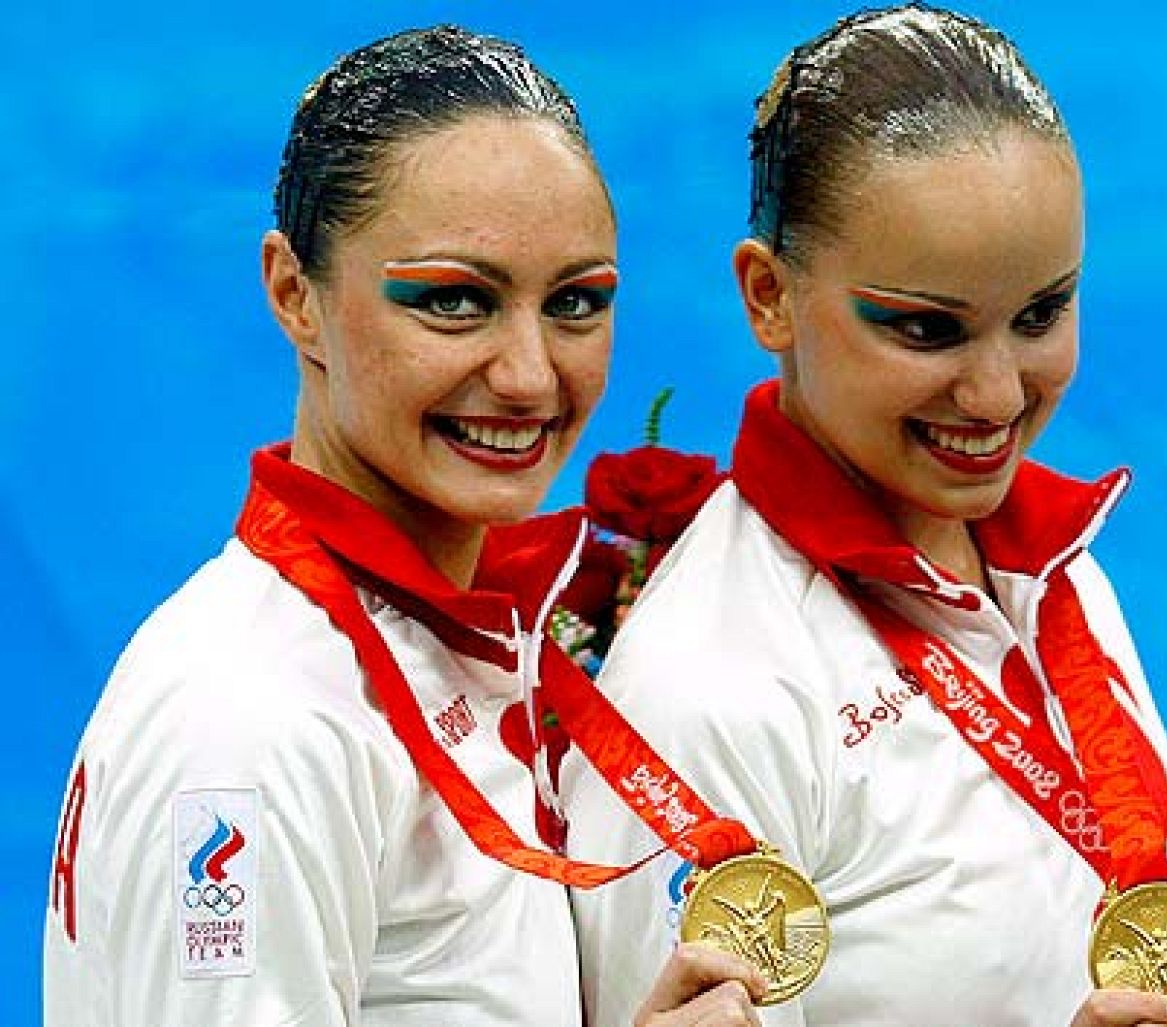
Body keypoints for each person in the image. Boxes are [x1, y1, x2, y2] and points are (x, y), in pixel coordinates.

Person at [42, 25, 764, 1026]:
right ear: (295, 293)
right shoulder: (254, 714)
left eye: (574, 304)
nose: (528, 375)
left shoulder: (427, 649)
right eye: (454, 301)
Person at [564, 6, 1167, 1026]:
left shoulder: (1057, 571)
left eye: (1039, 314)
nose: (996, 396)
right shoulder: (711, 694)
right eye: (925, 328)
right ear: (769, 297)